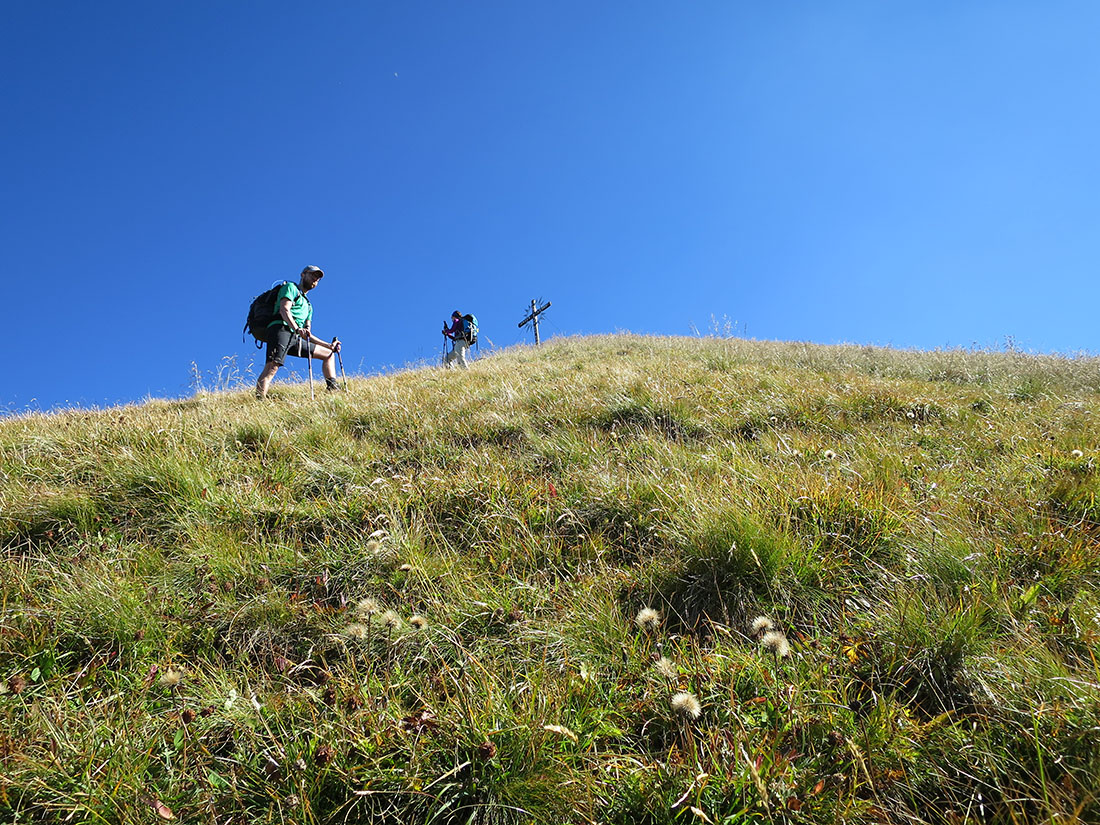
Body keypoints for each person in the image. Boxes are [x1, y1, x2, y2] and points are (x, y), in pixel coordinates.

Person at [255, 265, 342, 399]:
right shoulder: (291, 288)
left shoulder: (308, 306)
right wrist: (297, 328)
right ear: (303, 274)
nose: (315, 279)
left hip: (294, 336)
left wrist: (329, 346)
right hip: (280, 329)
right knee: (272, 367)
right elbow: (284, 310)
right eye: (313, 275)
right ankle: (259, 401)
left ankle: (333, 388)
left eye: (318, 279)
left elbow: (307, 334)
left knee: (328, 354)